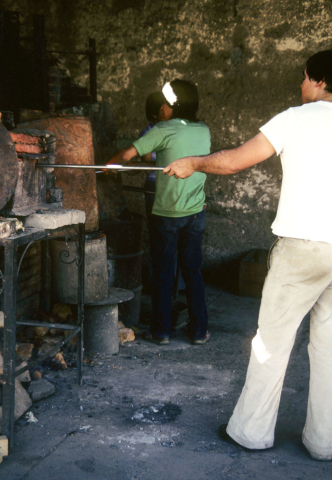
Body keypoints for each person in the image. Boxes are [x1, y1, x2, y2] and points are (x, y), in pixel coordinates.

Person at [163, 50, 332, 461]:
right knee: (329, 346)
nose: (301, 85)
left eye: (304, 78)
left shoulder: (295, 118)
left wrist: (192, 163)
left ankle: (251, 432)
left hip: (303, 247)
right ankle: (324, 442)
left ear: (318, 81)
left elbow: (236, 160)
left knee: (271, 342)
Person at [107, 79, 211, 346]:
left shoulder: (163, 129)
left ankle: (161, 331)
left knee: (163, 272)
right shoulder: (203, 130)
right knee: (193, 272)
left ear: (173, 105)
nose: (162, 107)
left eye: (165, 102)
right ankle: (199, 331)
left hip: (167, 214)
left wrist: (109, 166)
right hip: (197, 212)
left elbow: (129, 154)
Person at [139, 92, 165, 219]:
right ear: (155, 115)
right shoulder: (147, 133)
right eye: (163, 110)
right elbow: (147, 167)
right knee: (157, 225)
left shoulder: (170, 130)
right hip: (155, 184)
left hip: (170, 182)